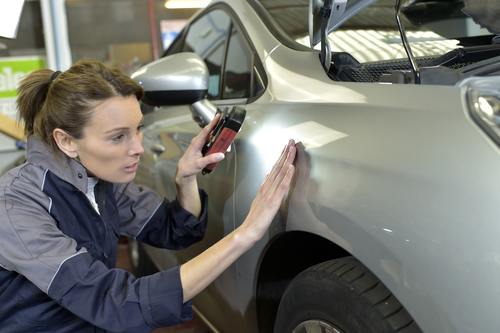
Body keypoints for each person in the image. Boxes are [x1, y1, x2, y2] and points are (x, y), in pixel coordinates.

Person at [0, 59, 296, 333]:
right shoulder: (16, 203)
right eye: (118, 136)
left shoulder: (100, 181)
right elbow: (113, 301)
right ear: (66, 141)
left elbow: (174, 231)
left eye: (138, 129)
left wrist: (186, 179)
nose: (138, 147)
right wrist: (244, 235)